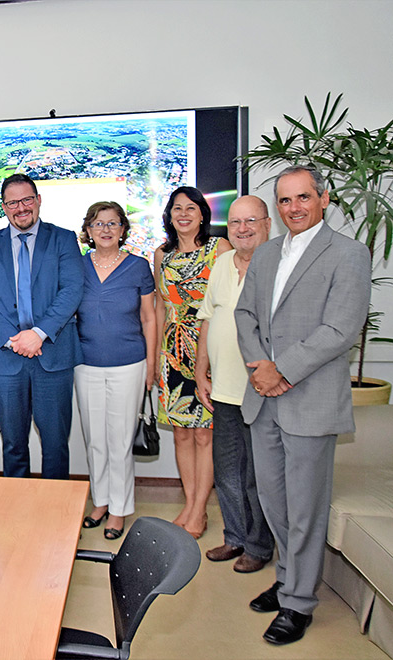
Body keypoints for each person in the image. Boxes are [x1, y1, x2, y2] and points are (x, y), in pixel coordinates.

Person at [236, 165, 370, 645]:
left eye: (303, 198)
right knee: (275, 501)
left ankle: (299, 603)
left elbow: (340, 329)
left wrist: (282, 369)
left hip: (308, 398)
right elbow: (245, 312)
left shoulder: (349, 254)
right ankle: (289, 578)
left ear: (323, 198)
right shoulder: (267, 252)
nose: (294, 208)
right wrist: (258, 365)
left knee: (306, 507)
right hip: (263, 396)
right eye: (286, 200)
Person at [0, 173, 83, 479]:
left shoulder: (63, 238)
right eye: (13, 202)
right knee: (14, 445)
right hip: (7, 359)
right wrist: (12, 339)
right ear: (4, 207)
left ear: (38, 201)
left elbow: (71, 290)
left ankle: (58, 518)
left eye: (27, 199)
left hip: (53, 356)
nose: (21, 207)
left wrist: (39, 334)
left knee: (56, 444)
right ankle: (16, 515)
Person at [194, 195, 275, 573]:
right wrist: (200, 372)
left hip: (260, 390)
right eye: (236, 222)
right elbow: (207, 319)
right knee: (227, 470)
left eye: (251, 222)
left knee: (257, 475)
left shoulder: (277, 266)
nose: (242, 229)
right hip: (223, 387)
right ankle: (235, 538)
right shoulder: (224, 262)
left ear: (267, 224)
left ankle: (259, 546)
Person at [74, 201, 155, 539]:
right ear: (88, 231)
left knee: (120, 441)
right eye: (97, 223)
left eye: (112, 223)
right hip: (85, 363)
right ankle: (101, 501)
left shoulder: (138, 266)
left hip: (129, 363)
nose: (105, 229)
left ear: (123, 229)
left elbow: (150, 318)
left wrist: (151, 366)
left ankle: (120, 509)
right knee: (95, 439)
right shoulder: (76, 267)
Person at [153, 186, 230, 537]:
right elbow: (159, 307)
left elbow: (227, 304)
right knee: (181, 435)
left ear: (202, 214)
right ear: (169, 216)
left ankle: (199, 510)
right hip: (173, 350)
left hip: (209, 347)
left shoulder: (220, 249)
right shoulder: (162, 255)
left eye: (191, 208)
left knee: (204, 434)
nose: (183, 214)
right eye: (176, 208)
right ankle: (190, 502)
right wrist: (156, 357)